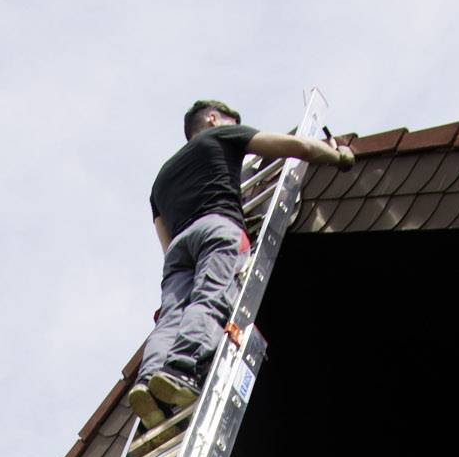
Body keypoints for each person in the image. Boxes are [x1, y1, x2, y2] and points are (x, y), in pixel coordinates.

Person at [130, 101, 355, 430]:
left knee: (171, 318)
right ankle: (181, 368)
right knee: (211, 296)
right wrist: (338, 156)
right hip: (218, 229)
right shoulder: (221, 136)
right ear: (213, 118)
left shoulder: (161, 179)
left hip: (179, 248)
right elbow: (296, 146)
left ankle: (148, 379)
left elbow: (164, 237)